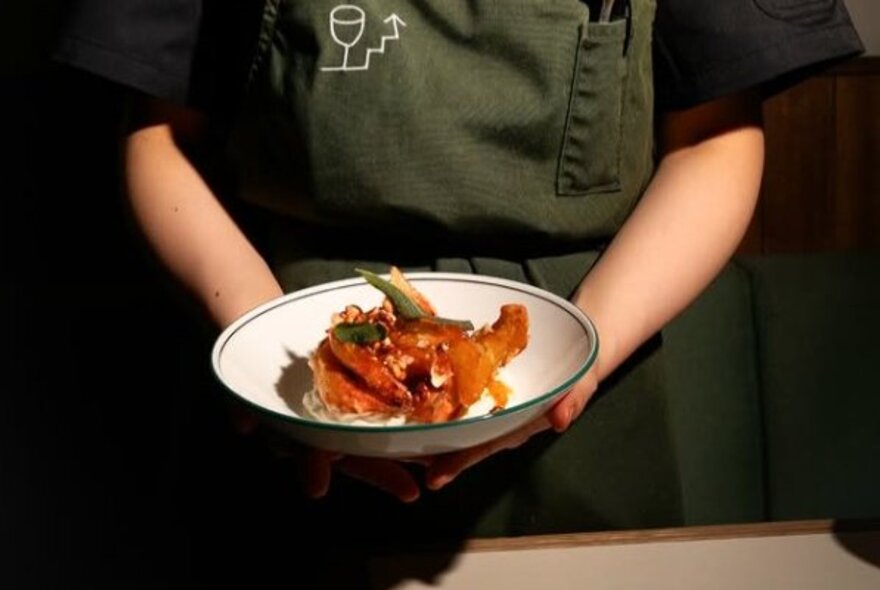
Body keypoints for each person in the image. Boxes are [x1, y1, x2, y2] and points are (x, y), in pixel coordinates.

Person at [54, 0, 862, 553]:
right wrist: (262, 348)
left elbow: (716, 138)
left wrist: (578, 361)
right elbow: (157, 134)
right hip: (283, 395)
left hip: (585, 409)